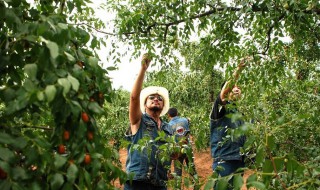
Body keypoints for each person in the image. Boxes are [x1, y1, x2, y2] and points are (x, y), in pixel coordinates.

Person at [124, 53, 173, 190]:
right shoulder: (139, 120)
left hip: (159, 183)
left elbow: (169, 154)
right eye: (151, 97)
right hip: (138, 182)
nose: (156, 99)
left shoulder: (167, 128)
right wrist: (143, 70)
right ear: (144, 104)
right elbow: (134, 98)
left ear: (163, 106)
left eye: (160, 98)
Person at [209, 58, 249, 187]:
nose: (236, 89)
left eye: (239, 87)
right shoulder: (222, 109)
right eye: (233, 87)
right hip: (224, 161)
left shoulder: (240, 113)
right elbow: (224, 95)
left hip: (239, 162)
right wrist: (239, 69)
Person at [167, 107, 197, 189]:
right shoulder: (184, 120)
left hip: (177, 151)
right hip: (187, 148)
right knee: (192, 168)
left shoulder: (168, 126)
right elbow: (188, 121)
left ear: (168, 115)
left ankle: (177, 188)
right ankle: (196, 185)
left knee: (178, 172)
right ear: (177, 113)